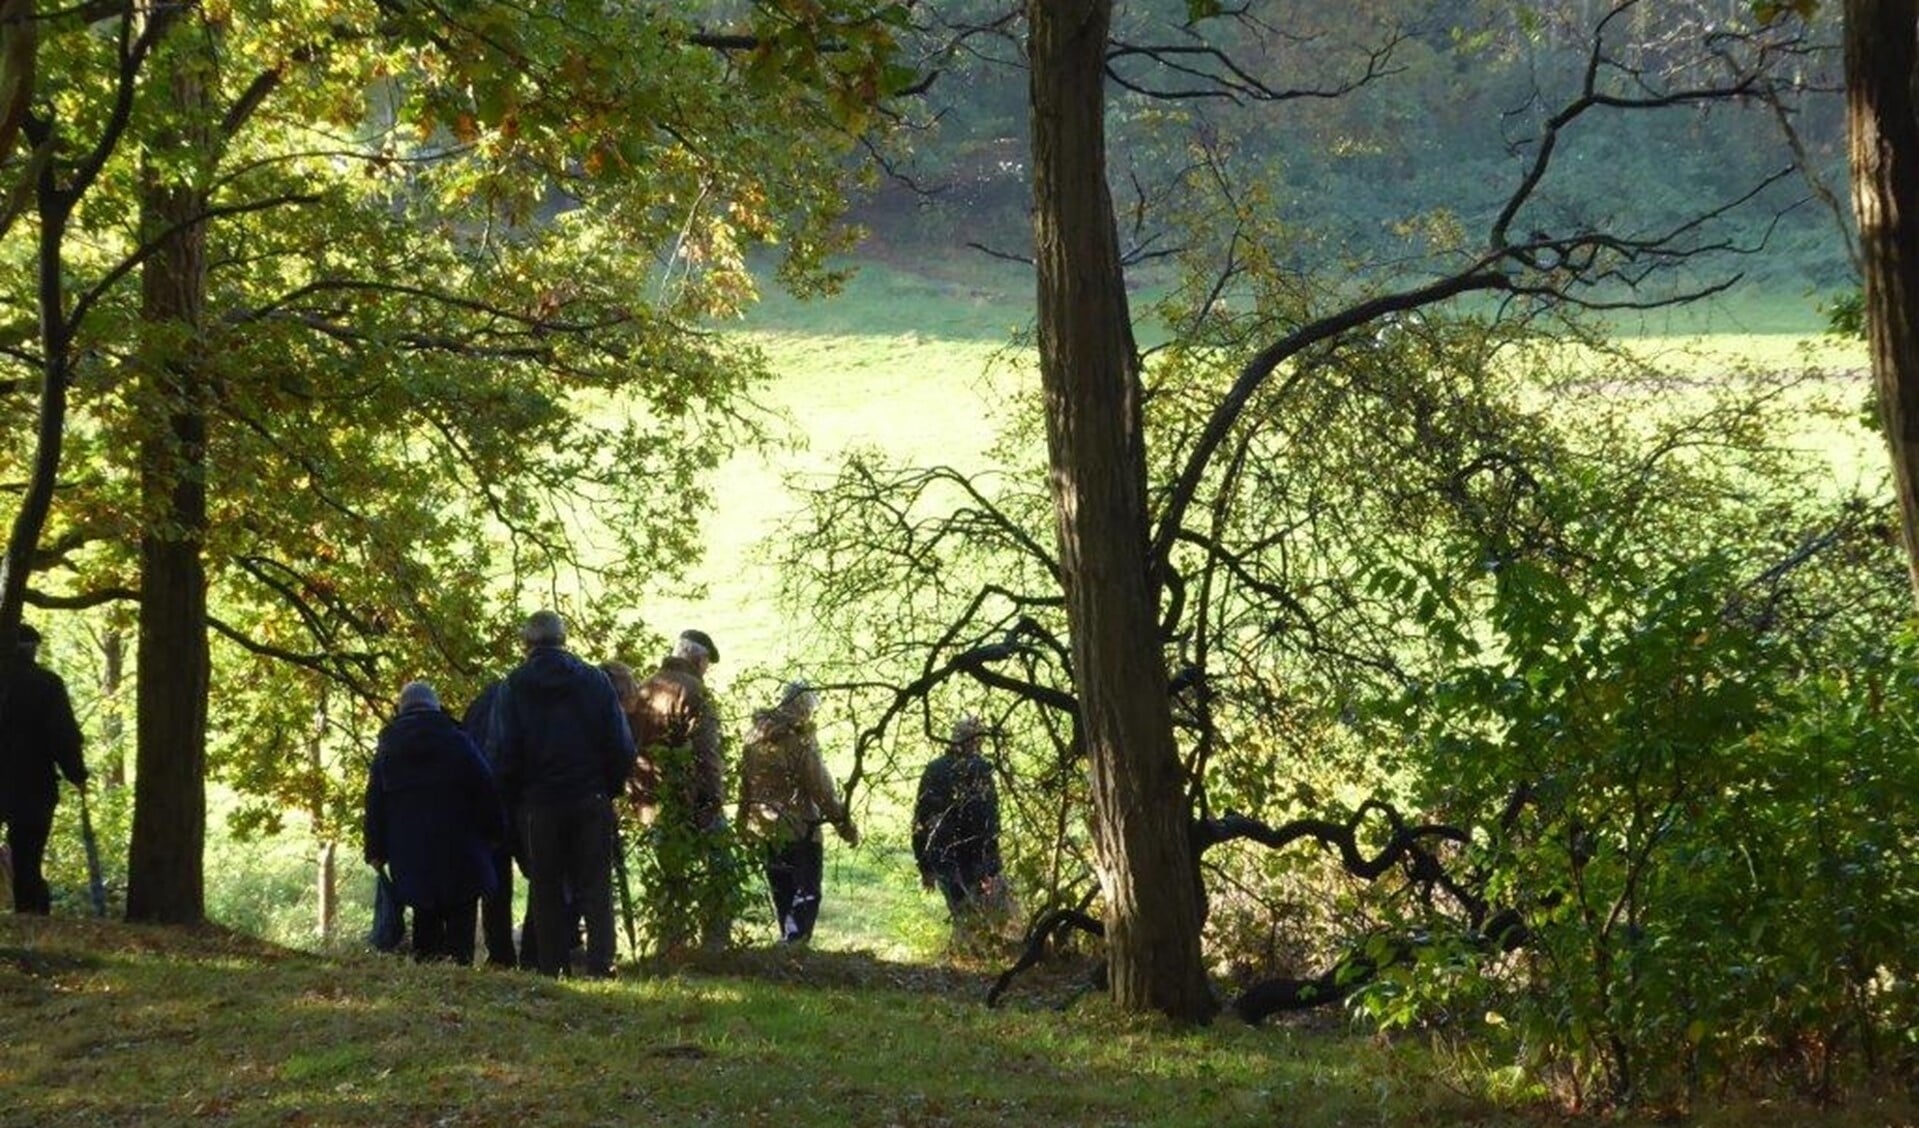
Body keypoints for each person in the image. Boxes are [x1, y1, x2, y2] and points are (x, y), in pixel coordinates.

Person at [490, 610, 635, 978]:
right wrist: (608, 788)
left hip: (538, 804)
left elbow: (503, 751)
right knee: (595, 886)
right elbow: (620, 744)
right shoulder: (594, 681)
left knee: (546, 888)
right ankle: (602, 964)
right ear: (563, 639)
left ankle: (553, 967)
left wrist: (514, 800)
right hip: (590, 797)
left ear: (527, 644)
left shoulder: (513, 686)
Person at [363, 681, 503, 964]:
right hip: (461, 848)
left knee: (424, 917)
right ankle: (461, 972)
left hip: (411, 851)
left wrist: (375, 849)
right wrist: (495, 830)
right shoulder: (458, 740)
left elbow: (375, 801)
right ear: (435, 705)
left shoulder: (389, 748)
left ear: (402, 709)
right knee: (461, 915)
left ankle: (429, 972)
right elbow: (485, 787)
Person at [736, 680, 858, 945]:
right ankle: (795, 947)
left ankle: (787, 944)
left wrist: (742, 824)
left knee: (782, 891)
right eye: (811, 709)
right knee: (806, 893)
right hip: (800, 828)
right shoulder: (799, 739)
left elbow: (745, 785)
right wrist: (844, 825)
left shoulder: (754, 736)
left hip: (765, 828)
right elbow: (820, 787)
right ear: (803, 707)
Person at [632, 628, 731, 950]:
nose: (705, 670)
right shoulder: (695, 692)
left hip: (650, 803)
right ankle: (714, 945)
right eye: (706, 664)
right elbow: (707, 754)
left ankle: (669, 942)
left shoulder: (645, 688)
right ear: (699, 658)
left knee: (669, 875)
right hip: (690, 801)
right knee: (721, 868)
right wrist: (712, 799)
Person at [0, 623, 88, 914]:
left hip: (23, 781)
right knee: (27, 857)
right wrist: (77, 774)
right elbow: (62, 734)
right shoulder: (47, 684)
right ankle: (29, 918)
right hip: (33, 784)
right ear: (33, 649)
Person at [912, 714, 1005, 926]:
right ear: (977, 741)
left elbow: (920, 819)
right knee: (973, 914)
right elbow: (989, 819)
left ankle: (969, 951)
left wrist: (924, 865)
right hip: (972, 856)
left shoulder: (934, 769)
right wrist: (990, 865)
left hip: (943, 854)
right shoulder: (982, 770)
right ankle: (972, 951)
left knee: (962, 911)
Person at [459, 678, 519, 969]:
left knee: (495, 880)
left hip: (485, 800)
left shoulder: (480, 706)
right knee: (546, 876)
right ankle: (536, 952)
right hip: (525, 798)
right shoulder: (523, 701)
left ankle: (500, 954)